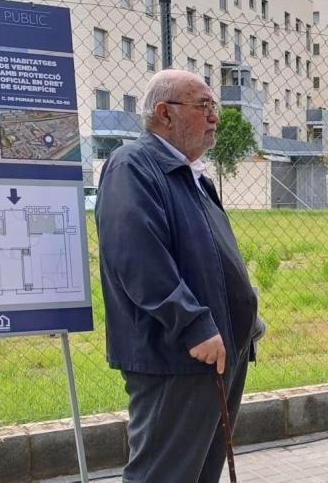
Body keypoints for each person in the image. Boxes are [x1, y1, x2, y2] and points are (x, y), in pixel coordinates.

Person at [96, 69, 261, 483]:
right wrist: (192, 323)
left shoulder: (191, 176)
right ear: (164, 114)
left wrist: (246, 321)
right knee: (163, 474)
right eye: (203, 106)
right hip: (177, 356)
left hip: (217, 355)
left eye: (213, 107)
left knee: (200, 472)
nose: (214, 117)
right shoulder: (133, 166)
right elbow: (136, 256)